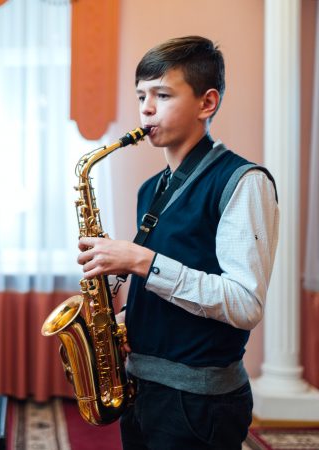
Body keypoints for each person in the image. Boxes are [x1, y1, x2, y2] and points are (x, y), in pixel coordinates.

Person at [77, 36, 279, 449]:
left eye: (162, 94)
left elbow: (245, 305)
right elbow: (177, 278)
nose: (146, 108)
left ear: (207, 103)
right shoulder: (151, 188)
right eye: (141, 96)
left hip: (200, 402)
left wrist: (143, 261)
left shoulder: (244, 182)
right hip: (141, 388)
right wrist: (125, 321)